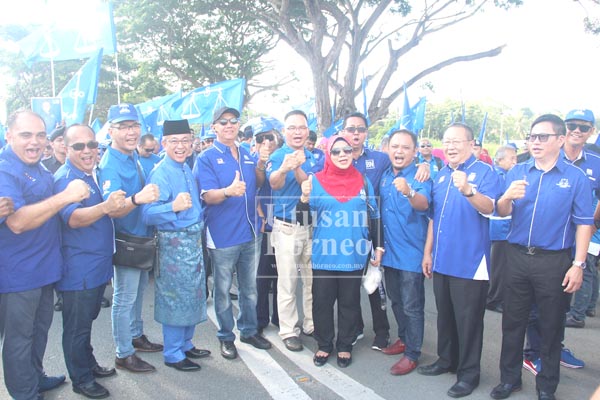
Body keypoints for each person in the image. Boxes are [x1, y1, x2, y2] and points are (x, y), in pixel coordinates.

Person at [490, 114, 593, 400]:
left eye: (542, 137)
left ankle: (547, 385)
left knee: (550, 325)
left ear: (560, 140)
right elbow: (502, 211)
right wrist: (507, 196)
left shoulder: (575, 178)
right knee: (512, 322)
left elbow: (584, 222)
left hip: (554, 261)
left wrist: (578, 264)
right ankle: (509, 379)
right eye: (532, 136)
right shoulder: (518, 172)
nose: (535, 142)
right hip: (516, 256)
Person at [0, 110, 90, 400]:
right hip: (19, 273)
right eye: (26, 135)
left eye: (40, 135)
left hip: (45, 269)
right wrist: (66, 196)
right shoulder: (4, 169)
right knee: (19, 338)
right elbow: (17, 222)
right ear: (8, 135)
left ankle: (35, 377)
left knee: (39, 333)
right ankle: (25, 393)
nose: (35, 142)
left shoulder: (40, 168)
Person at [420, 122, 500, 398]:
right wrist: (428, 252)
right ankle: (446, 360)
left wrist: (468, 190)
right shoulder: (441, 175)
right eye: (447, 141)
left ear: (471, 144)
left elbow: (490, 208)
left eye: (457, 141)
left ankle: (469, 374)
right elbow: (433, 217)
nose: (451, 146)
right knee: (446, 317)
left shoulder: (485, 172)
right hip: (442, 259)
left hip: (470, 261)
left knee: (468, 321)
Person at [54, 124, 127, 399]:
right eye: (79, 146)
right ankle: (81, 379)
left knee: (85, 322)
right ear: (65, 147)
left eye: (91, 145)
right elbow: (73, 218)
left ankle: (88, 365)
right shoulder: (67, 179)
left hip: (96, 267)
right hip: (79, 268)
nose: (87, 151)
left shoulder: (90, 173)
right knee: (76, 327)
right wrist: (106, 207)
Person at [298, 135, 383, 369]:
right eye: (336, 151)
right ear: (329, 155)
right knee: (322, 303)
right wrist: (304, 197)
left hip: (353, 255)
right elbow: (301, 218)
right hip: (325, 255)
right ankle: (324, 344)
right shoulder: (315, 181)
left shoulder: (364, 182)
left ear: (353, 153)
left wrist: (378, 246)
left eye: (346, 150)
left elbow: (374, 216)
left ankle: (345, 345)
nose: (342, 155)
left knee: (350, 303)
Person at [195, 106, 272, 360]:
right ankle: (226, 337)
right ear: (214, 127)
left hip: (251, 233)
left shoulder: (247, 155)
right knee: (223, 290)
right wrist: (227, 191)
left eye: (233, 121)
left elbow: (258, 184)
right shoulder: (206, 157)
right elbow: (207, 196)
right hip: (223, 236)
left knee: (250, 289)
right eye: (223, 121)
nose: (229, 125)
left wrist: (260, 164)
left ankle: (248, 330)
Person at [98, 103, 163, 374]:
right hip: (125, 240)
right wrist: (138, 198)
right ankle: (123, 353)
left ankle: (136, 336)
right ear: (111, 130)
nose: (130, 132)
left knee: (136, 296)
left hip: (141, 237)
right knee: (124, 299)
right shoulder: (110, 163)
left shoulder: (132, 156)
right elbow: (112, 209)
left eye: (134, 126)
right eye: (123, 127)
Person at [142, 119, 209, 372]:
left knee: (192, 295)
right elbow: (147, 214)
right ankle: (172, 353)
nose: (180, 146)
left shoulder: (185, 166)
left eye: (185, 141)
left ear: (192, 143)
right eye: (174, 141)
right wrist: (172, 206)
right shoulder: (160, 172)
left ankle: (185, 344)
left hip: (192, 243)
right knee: (175, 298)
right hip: (174, 245)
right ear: (164, 143)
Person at [379, 130, 432, 376]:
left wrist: (409, 191)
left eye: (405, 148)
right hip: (389, 252)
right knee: (396, 300)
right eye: (395, 146)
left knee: (412, 306)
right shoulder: (385, 174)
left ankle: (412, 353)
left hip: (411, 253)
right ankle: (403, 338)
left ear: (414, 152)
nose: (399, 151)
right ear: (388, 148)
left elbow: (423, 204)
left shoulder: (421, 176)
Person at [267, 109, 319, 352]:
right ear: (284, 131)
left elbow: (312, 186)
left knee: (312, 281)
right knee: (287, 281)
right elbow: (273, 183)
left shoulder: (316, 157)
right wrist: (285, 167)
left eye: (302, 127)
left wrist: (298, 167)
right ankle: (289, 330)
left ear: (307, 131)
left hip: (312, 227)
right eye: (292, 128)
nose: (297, 132)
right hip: (287, 227)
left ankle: (311, 324)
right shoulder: (278, 156)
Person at [252, 123, 280, 335]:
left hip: (283, 225)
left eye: (270, 139)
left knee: (283, 276)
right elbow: (252, 190)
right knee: (262, 275)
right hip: (262, 226)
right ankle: (260, 318)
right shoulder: (252, 162)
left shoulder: (283, 160)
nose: (266, 144)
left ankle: (280, 318)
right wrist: (260, 214)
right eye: (262, 140)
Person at [486, 145, 518, 313]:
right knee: (498, 266)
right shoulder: (499, 176)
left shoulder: (504, 175)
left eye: (516, 158)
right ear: (499, 160)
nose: (514, 162)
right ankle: (493, 298)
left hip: (502, 227)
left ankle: (495, 296)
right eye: (511, 158)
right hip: (500, 227)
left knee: (499, 265)